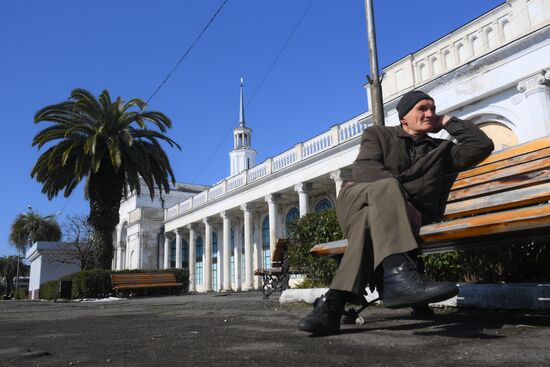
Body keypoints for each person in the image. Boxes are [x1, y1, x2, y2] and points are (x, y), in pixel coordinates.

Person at [298, 90, 494, 335]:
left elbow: (482, 145)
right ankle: (400, 275)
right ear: (404, 118)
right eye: (422, 109)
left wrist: (446, 121)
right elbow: (365, 173)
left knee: (368, 222)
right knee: (386, 188)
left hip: (381, 217)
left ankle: (332, 305)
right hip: (358, 198)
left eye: (433, 109)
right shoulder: (378, 135)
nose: (430, 113)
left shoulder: (442, 150)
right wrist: (401, 201)